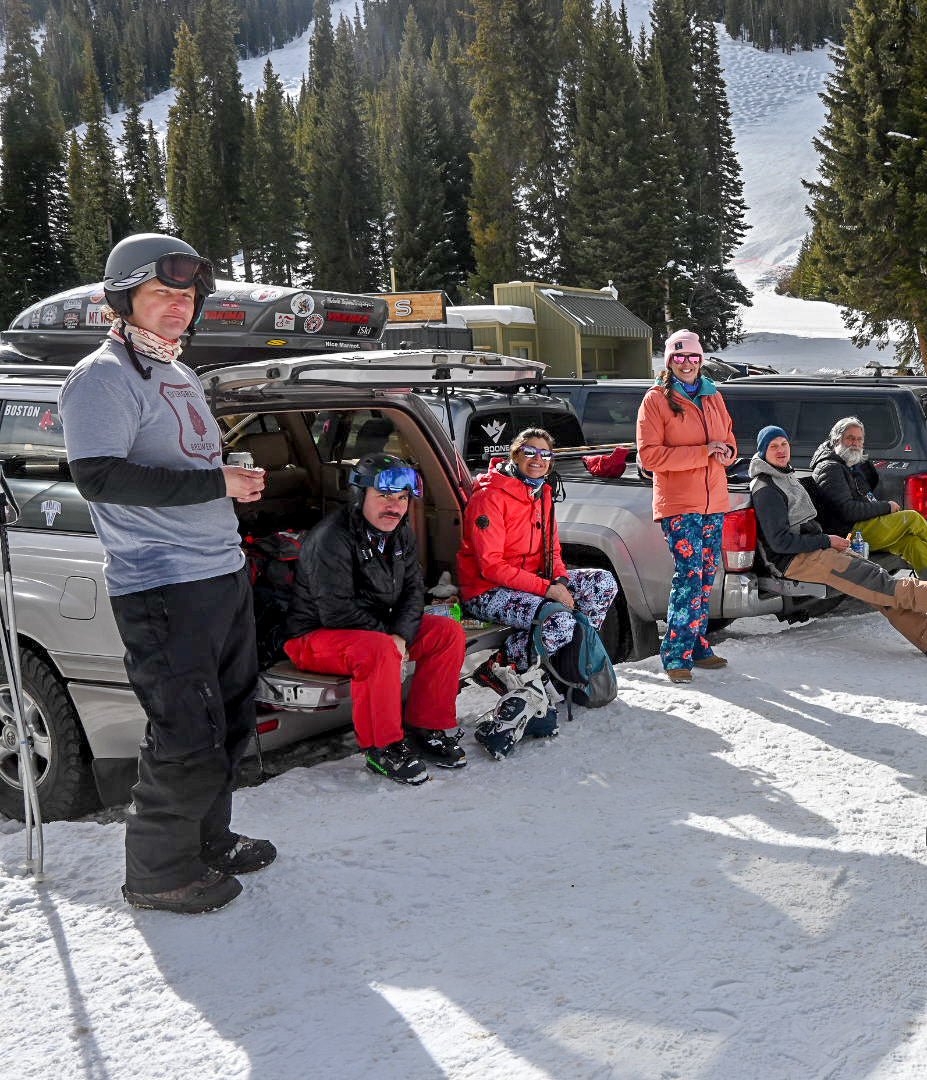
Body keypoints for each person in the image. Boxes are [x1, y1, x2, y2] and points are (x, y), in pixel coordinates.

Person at [60, 232, 272, 915]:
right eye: (162, 293)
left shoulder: (178, 372)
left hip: (218, 573)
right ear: (123, 300)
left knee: (230, 719)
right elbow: (99, 477)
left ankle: (208, 840)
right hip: (160, 583)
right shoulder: (102, 377)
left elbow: (180, 464)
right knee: (185, 730)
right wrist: (217, 484)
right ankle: (157, 874)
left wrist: (225, 481)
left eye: (187, 295)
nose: (179, 305)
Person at [282, 453, 468, 785]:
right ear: (360, 495)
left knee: (447, 632)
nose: (394, 506)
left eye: (402, 498)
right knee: (380, 650)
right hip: (315, 636)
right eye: (384, 496)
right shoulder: (331, 538)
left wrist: (401, 635)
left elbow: (414, 590)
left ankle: (425, 727)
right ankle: (383, 747)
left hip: (376, 629)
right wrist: (390, 639)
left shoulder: (401, 533)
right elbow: (336, 611)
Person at [750, 427, 927, 656]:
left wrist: (826, 540)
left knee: (873, 582)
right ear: (763, 451)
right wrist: (826, 540)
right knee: (873, 579)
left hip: (813, 549)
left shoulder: (783, 475)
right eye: (773, 446)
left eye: (784, 444)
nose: (781, 450)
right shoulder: (767, 489)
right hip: (794, 560)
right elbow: (780, 542)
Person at [458, 427, 620, 691]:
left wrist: (560, 581)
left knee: (603, 583)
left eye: (545, 454)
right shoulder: (489, 497)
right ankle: (497, 667)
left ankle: (570, 658)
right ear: (515, 455)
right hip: (487, 590)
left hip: (533, 581)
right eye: (530, 451)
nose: (538, 459)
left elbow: (552, 551)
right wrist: (548, 589)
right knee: (559, 621)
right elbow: (491, 566)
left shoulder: (542, 493)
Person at [635, 329, 737, 683]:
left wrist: (726, 453)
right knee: (690, 575)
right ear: (669, 361)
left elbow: (729, 440)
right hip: (679, 504)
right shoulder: (655, 400)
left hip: (714, 502)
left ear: (701, 360)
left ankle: (697, 645)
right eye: (679, 357)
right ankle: (676, 653)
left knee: (706, 576)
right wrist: (703, 452)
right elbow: (650, 457)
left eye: (693, 357)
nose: (687, 363)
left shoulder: (713, 395)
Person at [808, 416, 927, 580]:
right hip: (848, 533)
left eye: (859, 439)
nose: (855, 443)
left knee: (912, 543)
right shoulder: (831, 468)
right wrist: (886, 507)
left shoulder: (847, 463)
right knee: (912, 518)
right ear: (837, 440)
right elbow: (847, 511)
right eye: (850, 438)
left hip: (861, 526)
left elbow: (865, 497)